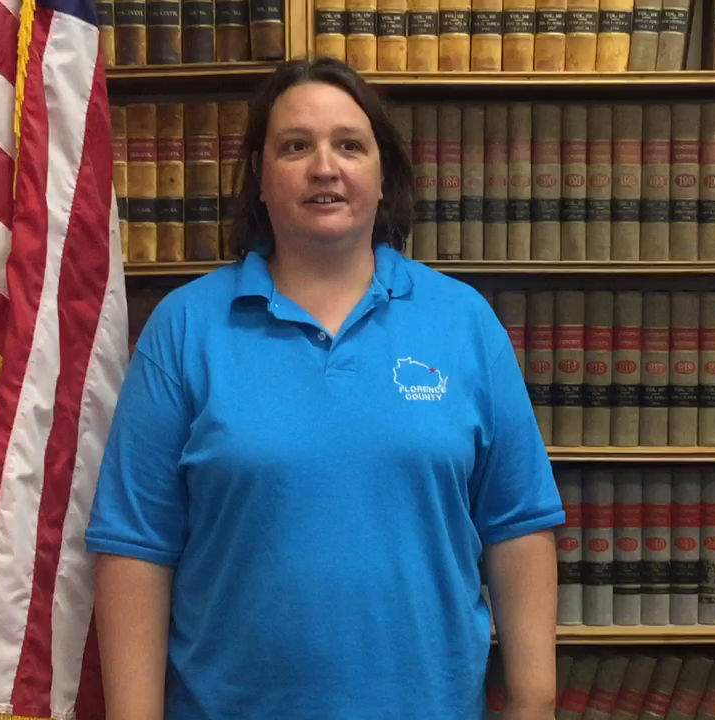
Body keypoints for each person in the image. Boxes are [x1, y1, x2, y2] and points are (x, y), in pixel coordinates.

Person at [84, 57, 566, 720]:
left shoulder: (464, 323)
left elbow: (518, 524)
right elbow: (136, 546)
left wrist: (534, 700)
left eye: (349, 145)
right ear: (259, 179)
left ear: (383, 175)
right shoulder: (185, 328)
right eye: (295, 146)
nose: (324, 167)